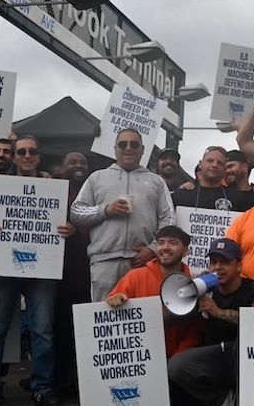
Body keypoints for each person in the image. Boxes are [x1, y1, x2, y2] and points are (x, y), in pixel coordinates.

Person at [0, 134, 74, 406]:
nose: (27, 156)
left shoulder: (53, 188)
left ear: (39, 157)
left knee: (42, 331)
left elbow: (69, 223)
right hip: (2, 265)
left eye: (32, 151)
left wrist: (71, 229)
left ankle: (42, 388)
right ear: (14, 157)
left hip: (42, 268)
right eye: (22, 152)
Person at [167, 238, 254, 406]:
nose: (217, 267)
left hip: (247, 356)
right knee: (176, 366)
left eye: (225, 262)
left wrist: (219, 312)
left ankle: (247, 402)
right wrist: (190, 291)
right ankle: (223, 399)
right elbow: (169, 319)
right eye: (214, 262)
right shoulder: (205, 289)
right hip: (215, 357)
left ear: (239, 266)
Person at [70, 128, 175, 303]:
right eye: (123, 144)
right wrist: (105, 210)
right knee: (104, 320)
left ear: (142, 150)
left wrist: (153, 248)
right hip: (105, 261)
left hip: (142, 262)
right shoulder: (97, 178)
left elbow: (169, 218)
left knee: (142, 319)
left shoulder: (156, 181)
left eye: (134, 145)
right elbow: (76, 211)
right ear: (115, 148)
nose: (128, 148)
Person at [103, 225, 204, 358]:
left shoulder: (195, 286)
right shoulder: (134, 277)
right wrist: (113, 300)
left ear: (185, 251)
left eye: (173, 243)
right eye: (161, 242)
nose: (165, 247)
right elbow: (109, 315)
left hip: (173, 365)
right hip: (138, 360)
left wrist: (176, 360)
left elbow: (194, 332)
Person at [53, 150, 93, 397]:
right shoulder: (52, 189)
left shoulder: (94, 191)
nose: (79, 165)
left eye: (83, 162)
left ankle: (83, 384)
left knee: (85, 331)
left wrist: (77, 230)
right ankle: (58, 381)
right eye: (73, 161)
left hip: (87, 272)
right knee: (59, 330)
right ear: (62, 165)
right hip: (58, 274)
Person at [171, 146, 254, 212]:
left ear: (224, 169)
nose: (215, 165)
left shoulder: (240, 200)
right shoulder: (180, 196)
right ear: (201, 164)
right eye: (210, 161)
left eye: (220, 163)